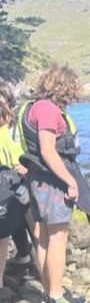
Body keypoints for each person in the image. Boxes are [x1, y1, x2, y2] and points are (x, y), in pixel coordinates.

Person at [17, 65, 90, 303]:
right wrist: (71, 182)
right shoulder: (48, 109)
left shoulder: (33, 106)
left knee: (43, 236)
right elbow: (48, 151)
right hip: (50, 181)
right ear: (65, 88)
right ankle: (55, 295)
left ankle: (48, 294)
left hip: (37, 180)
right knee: (58, 237)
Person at [0, 84, 31, 287]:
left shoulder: (17, 126)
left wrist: (27, 166)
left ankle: (30, 262)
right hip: (3, 180)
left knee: (27, 222)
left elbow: (35, 150)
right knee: (7, 224)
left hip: (22, 179)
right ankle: (23, 260)